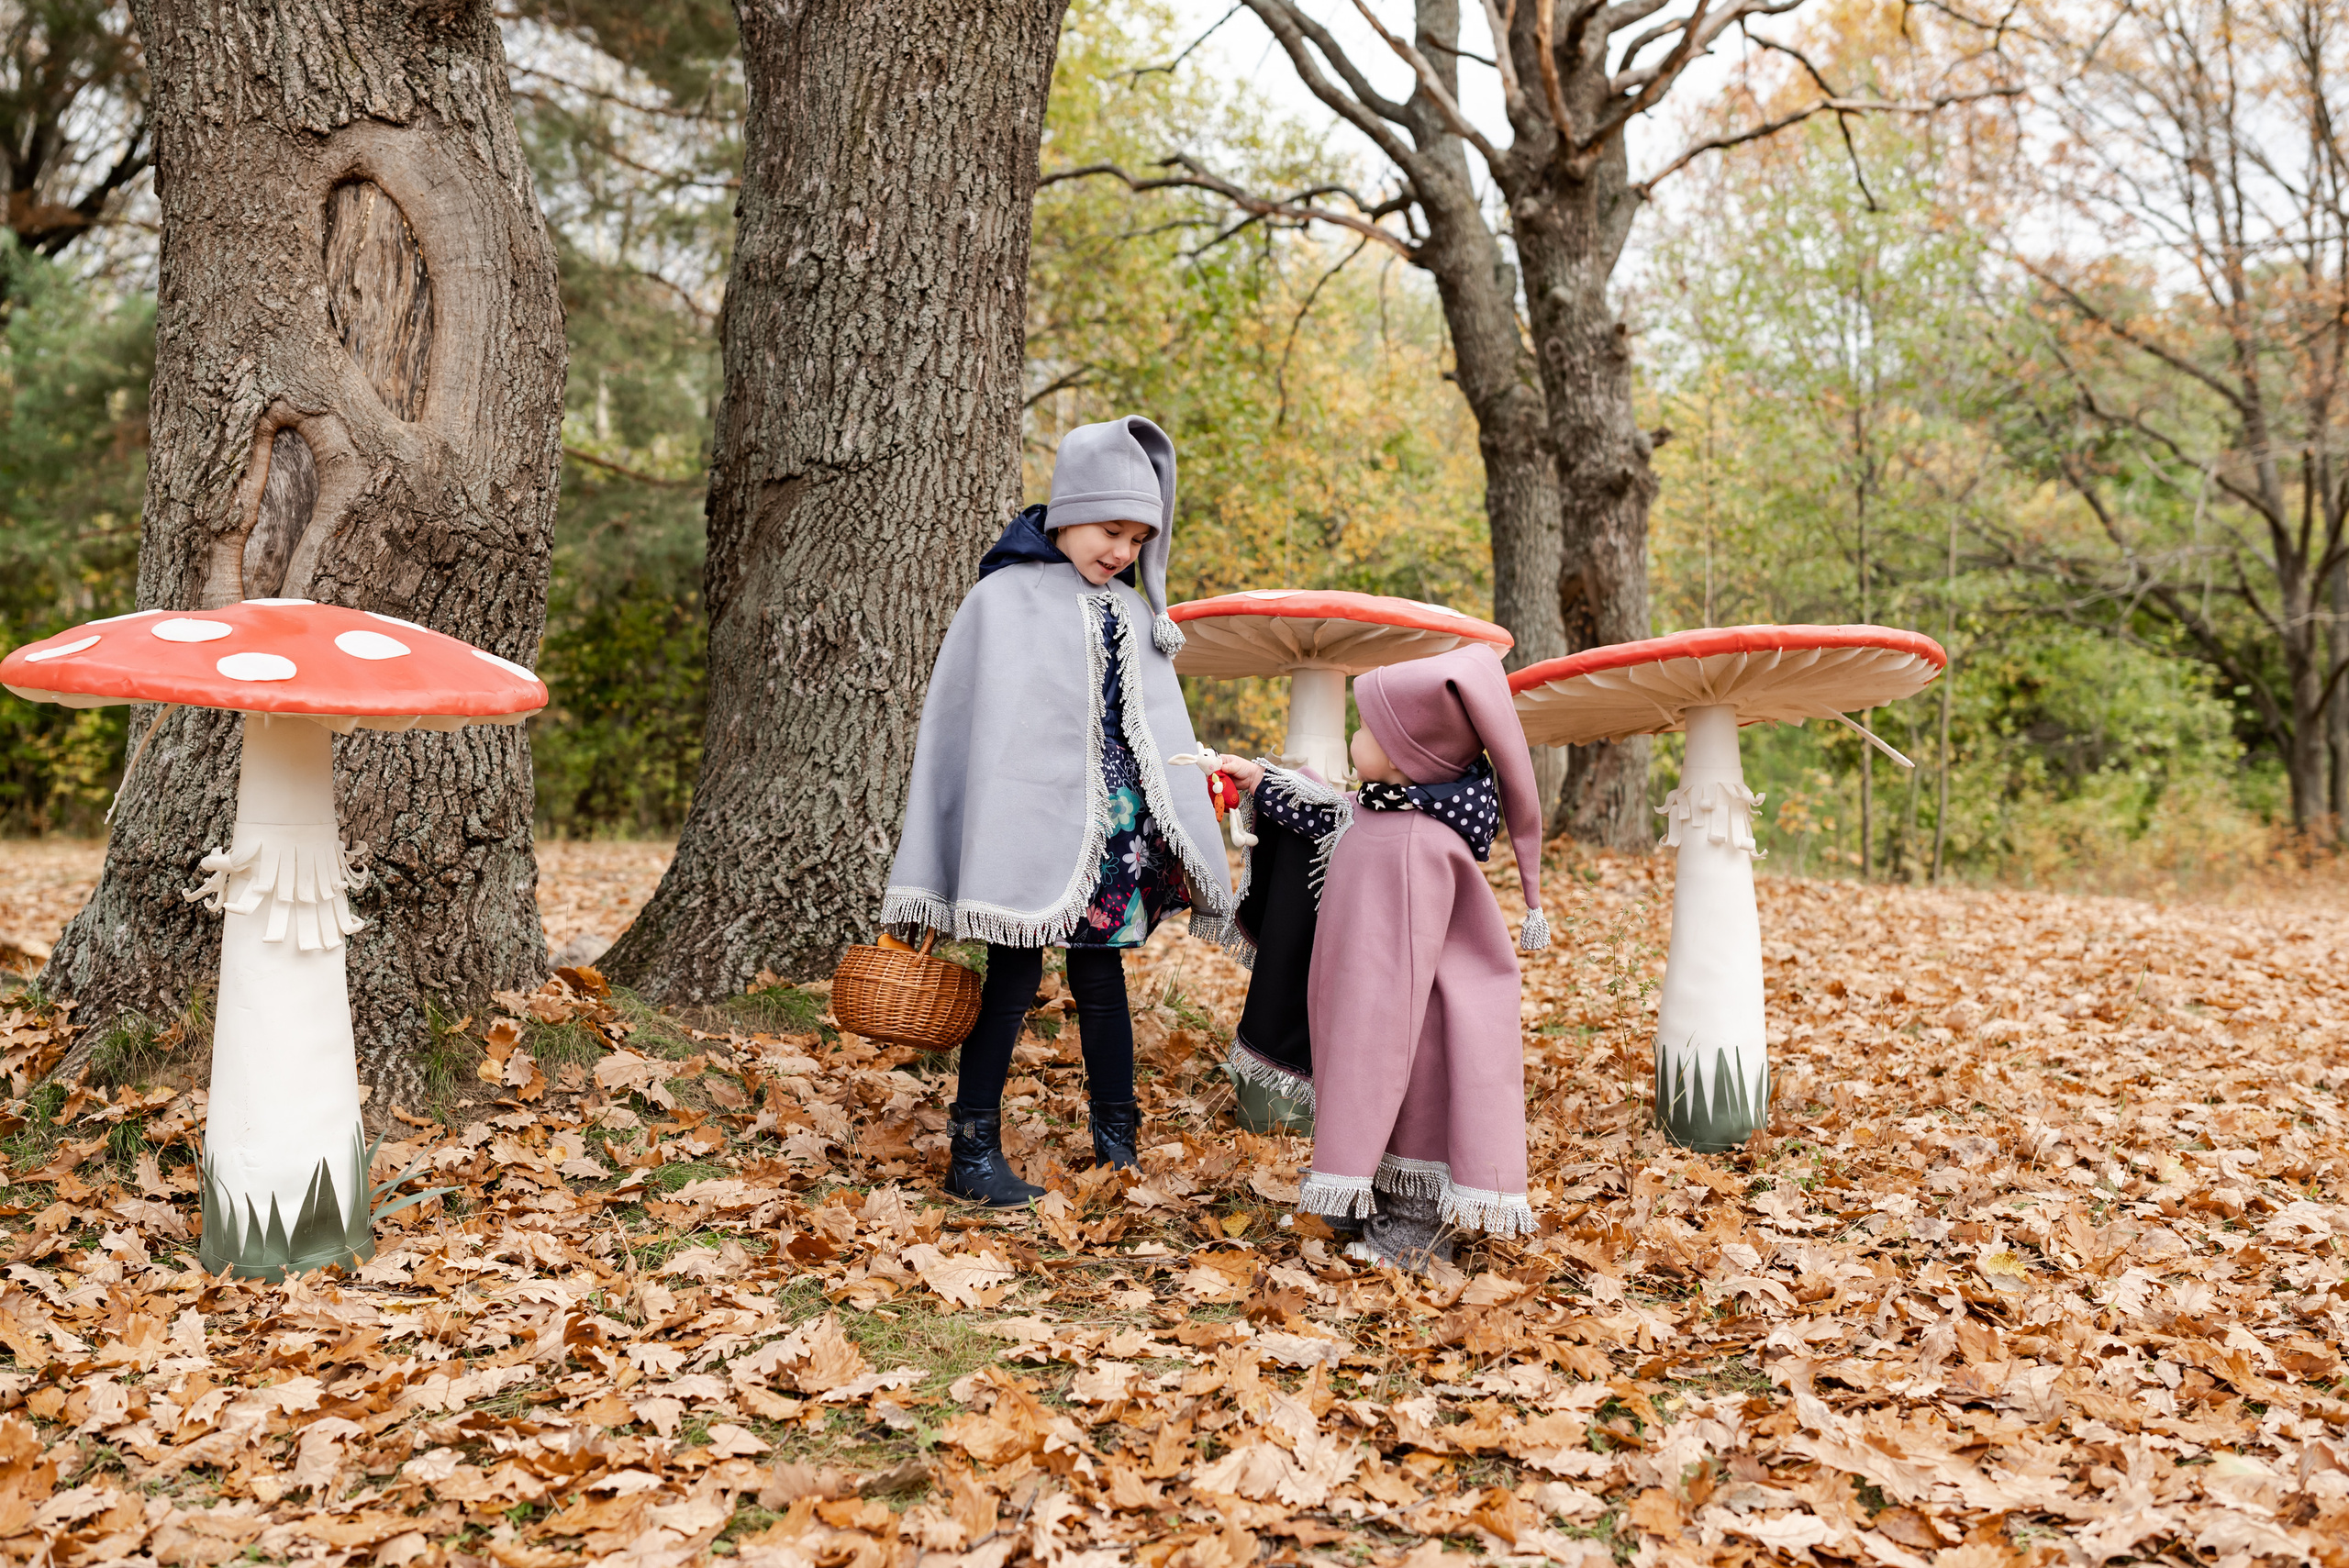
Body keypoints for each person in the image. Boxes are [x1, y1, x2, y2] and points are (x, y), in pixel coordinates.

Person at [882, 416, 1235, 1207]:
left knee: (1102, 982)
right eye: (1112, 529)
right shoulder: (1001, 601)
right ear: (1069, 510)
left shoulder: (1137, 613)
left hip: (1114, 841)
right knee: (1009, 982)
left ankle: (1119, 1146)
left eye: (1141, 539)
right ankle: (972, 1150)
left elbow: (1152, 723)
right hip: (1029, 831)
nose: (1122, 551)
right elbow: (976, 733)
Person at [1216, 643, 1548, 1269]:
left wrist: (1366, 1014)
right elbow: (1328, 815)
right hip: (1375, 1000)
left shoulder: (1418, 842)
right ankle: (1359, 1191)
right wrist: (1261, 782)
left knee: (1414, 1107)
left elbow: (1402, 954)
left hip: (1417, 1016)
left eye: (1367, 728)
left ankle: (1416, 1232)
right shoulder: (1388, 808)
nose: (1354, 734)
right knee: (1370, 1095)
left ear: (1405, 757)